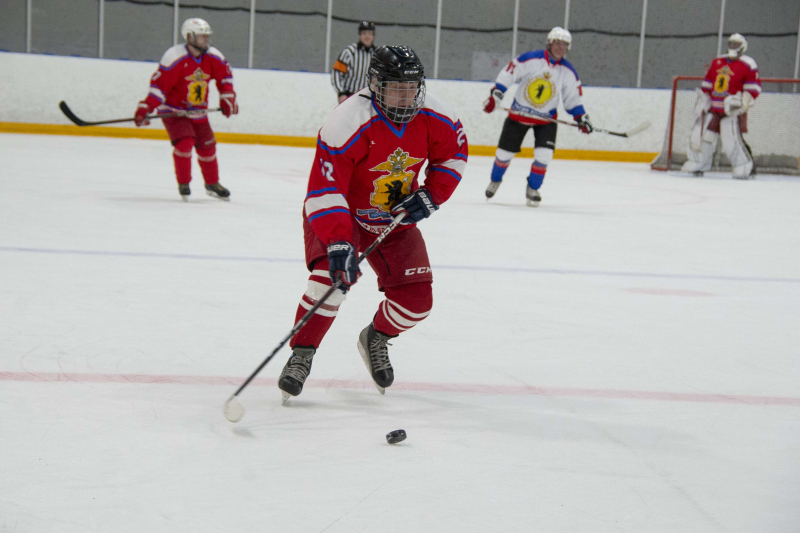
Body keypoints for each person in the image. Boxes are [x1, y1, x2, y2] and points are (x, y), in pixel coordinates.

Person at [278, 45, 468, 402]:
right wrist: (338, 241)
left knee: (417, 302)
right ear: (375, 84)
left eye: (412, 88)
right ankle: (301, 355)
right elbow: (325, 189)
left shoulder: (437, 116)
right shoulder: (347, 120)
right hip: (341, 214)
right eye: (397, 88)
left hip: (393, 219)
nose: (406, 96)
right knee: (329, 284)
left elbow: (453, 155)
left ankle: (376, 337)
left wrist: (432, 194)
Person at [482, 27, 592, 207]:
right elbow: (509, 74)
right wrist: (497, 95)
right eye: (557, 42)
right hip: (519, 116)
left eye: (564, 44)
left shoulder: (567, 71)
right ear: (549, 43)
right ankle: (495, 180)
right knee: (503, 155)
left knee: (544, 155)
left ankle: (533, 188)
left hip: (546, 121)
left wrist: (581, 117)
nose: (560, 47)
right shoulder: (531, 59)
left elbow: (572, 98)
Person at [134, 18, 238, 201]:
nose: (206, 40)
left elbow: (225, 78)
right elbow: (159, 87)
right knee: (185, 143)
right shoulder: (174, 57)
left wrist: (227, 97)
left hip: (198, 111)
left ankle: (212, 183)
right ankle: (184, 183)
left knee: (208, 147)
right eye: (202, 36)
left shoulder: (213, 56)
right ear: (190, 37)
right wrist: (146, 107)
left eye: (207, 36)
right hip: (174, 111)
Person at [681, 33, 761, 179]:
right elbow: (707, 85)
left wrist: (742, 104)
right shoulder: (718, 61)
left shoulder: (748, 64)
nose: (733, 47)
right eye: (731, 43)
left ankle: (744, 167)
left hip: (732, 111)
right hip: (714, 109)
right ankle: (699, 163)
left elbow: (752, 89)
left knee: (732, 139)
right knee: (703, 136)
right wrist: (703, 101)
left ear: (743, 46)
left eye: (736, 44)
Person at [331, 21, 376, 104]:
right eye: (364, 33)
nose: (367, 36)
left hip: (368, 99)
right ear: (359, 34)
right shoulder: (349, 52)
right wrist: (341, 93)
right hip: (349, 96)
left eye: (370, 33)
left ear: (373, 35)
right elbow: (336, 73)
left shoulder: (376, 55)